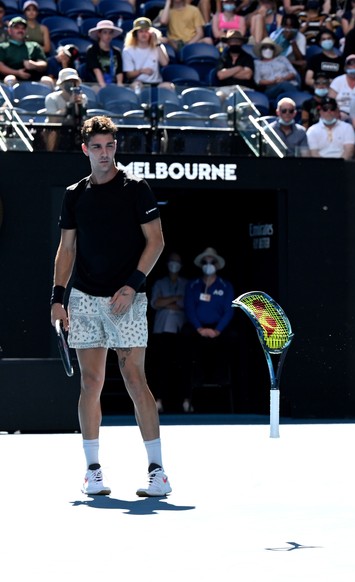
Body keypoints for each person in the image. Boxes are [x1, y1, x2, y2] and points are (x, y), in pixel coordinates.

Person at [50, 115, 171, 498]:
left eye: (110, 146)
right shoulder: (74, 194)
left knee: (135, 379)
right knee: (91, 382)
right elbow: (66, 249)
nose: (105, 154)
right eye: (97, 147)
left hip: (127, 299)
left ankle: (158, 472)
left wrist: (132, 286)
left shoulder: (136, 188)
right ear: (85, 150)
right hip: (84, 298)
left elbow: (156, 242)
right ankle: (92, 470)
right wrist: (57, 298)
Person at [184, 247, 235, 412]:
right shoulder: (193, 285)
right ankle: (189, 398)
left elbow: (229, 310)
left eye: (211, 261)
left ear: (217, 264)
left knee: (227, 346)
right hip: (197, 329)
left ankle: (222, 393)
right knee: (189, 350)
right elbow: (189, 307)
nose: (208, 264)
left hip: (218, 330)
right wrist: (199, 328)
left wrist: (217, 330)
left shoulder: (225, 286)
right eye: (205, 262)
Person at [149, 251, 189, 414]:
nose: (174, 264)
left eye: (177, 261)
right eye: (172, 261)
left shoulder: (186, 283)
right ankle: (159, 400)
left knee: (180, 366)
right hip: (162, 329)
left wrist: (167, 302)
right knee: (161, 366)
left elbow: (187, 303)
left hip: (180, 330)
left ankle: (184, 402)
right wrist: (174, 299)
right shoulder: (159, 283)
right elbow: (155, 302)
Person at [44, 67, 88, 151]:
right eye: (68, 82)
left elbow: (82, 119)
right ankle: (50, 157)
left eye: (74, 82)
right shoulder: (52, 98)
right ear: (61, 84)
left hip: (75, 130)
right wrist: (69, 105)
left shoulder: (83, 98)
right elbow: (52, 121)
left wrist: (80, 105)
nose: (71, 84)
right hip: (58, 131)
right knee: (52, 131)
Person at [123, 17, 170, 87]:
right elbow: (129, 74)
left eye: (146, 31)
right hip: (139, 82)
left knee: (169, 86)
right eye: (141, 31)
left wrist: (157, 42)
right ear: (135, 34)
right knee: (137, 85)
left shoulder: (158, 46)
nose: (144, 34)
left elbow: (165, 63)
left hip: (156, 82)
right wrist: (141, 71)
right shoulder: (128, 50)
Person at [0, 16, 48, 82]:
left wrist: (34, 65)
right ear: (9, 30)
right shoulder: (2, 47)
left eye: (23, 28)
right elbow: (0, 66)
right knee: (10, 79)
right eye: (16, 28)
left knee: (47, 80)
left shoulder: (34, 45)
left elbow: (43, 63)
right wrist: (17, 73)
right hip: (10, 79)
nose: (20, 30)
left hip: (33, 79)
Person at [330, 54, 355, 122]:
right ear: (345, 67)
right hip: (340, 114)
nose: (354, 66)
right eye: (350, 64)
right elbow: (331, 101)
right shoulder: (338, 81)